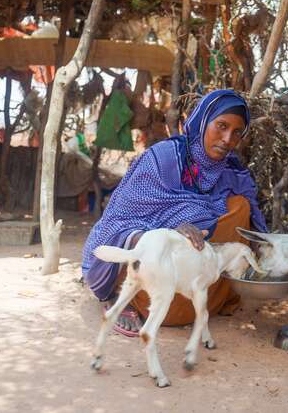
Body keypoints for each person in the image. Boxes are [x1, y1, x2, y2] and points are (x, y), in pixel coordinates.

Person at [81, 89, 267, 336]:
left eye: (236, 133)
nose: (227, 139)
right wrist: (167, 232)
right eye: (221, 126)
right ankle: (120, 296)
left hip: (186, 269)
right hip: (142, 252)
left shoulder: (227, 170)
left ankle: (211, 297)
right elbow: (120, 217)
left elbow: (247, 212)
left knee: (239, 206)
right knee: (143, 238)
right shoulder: (163, 158)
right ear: (202, 121)